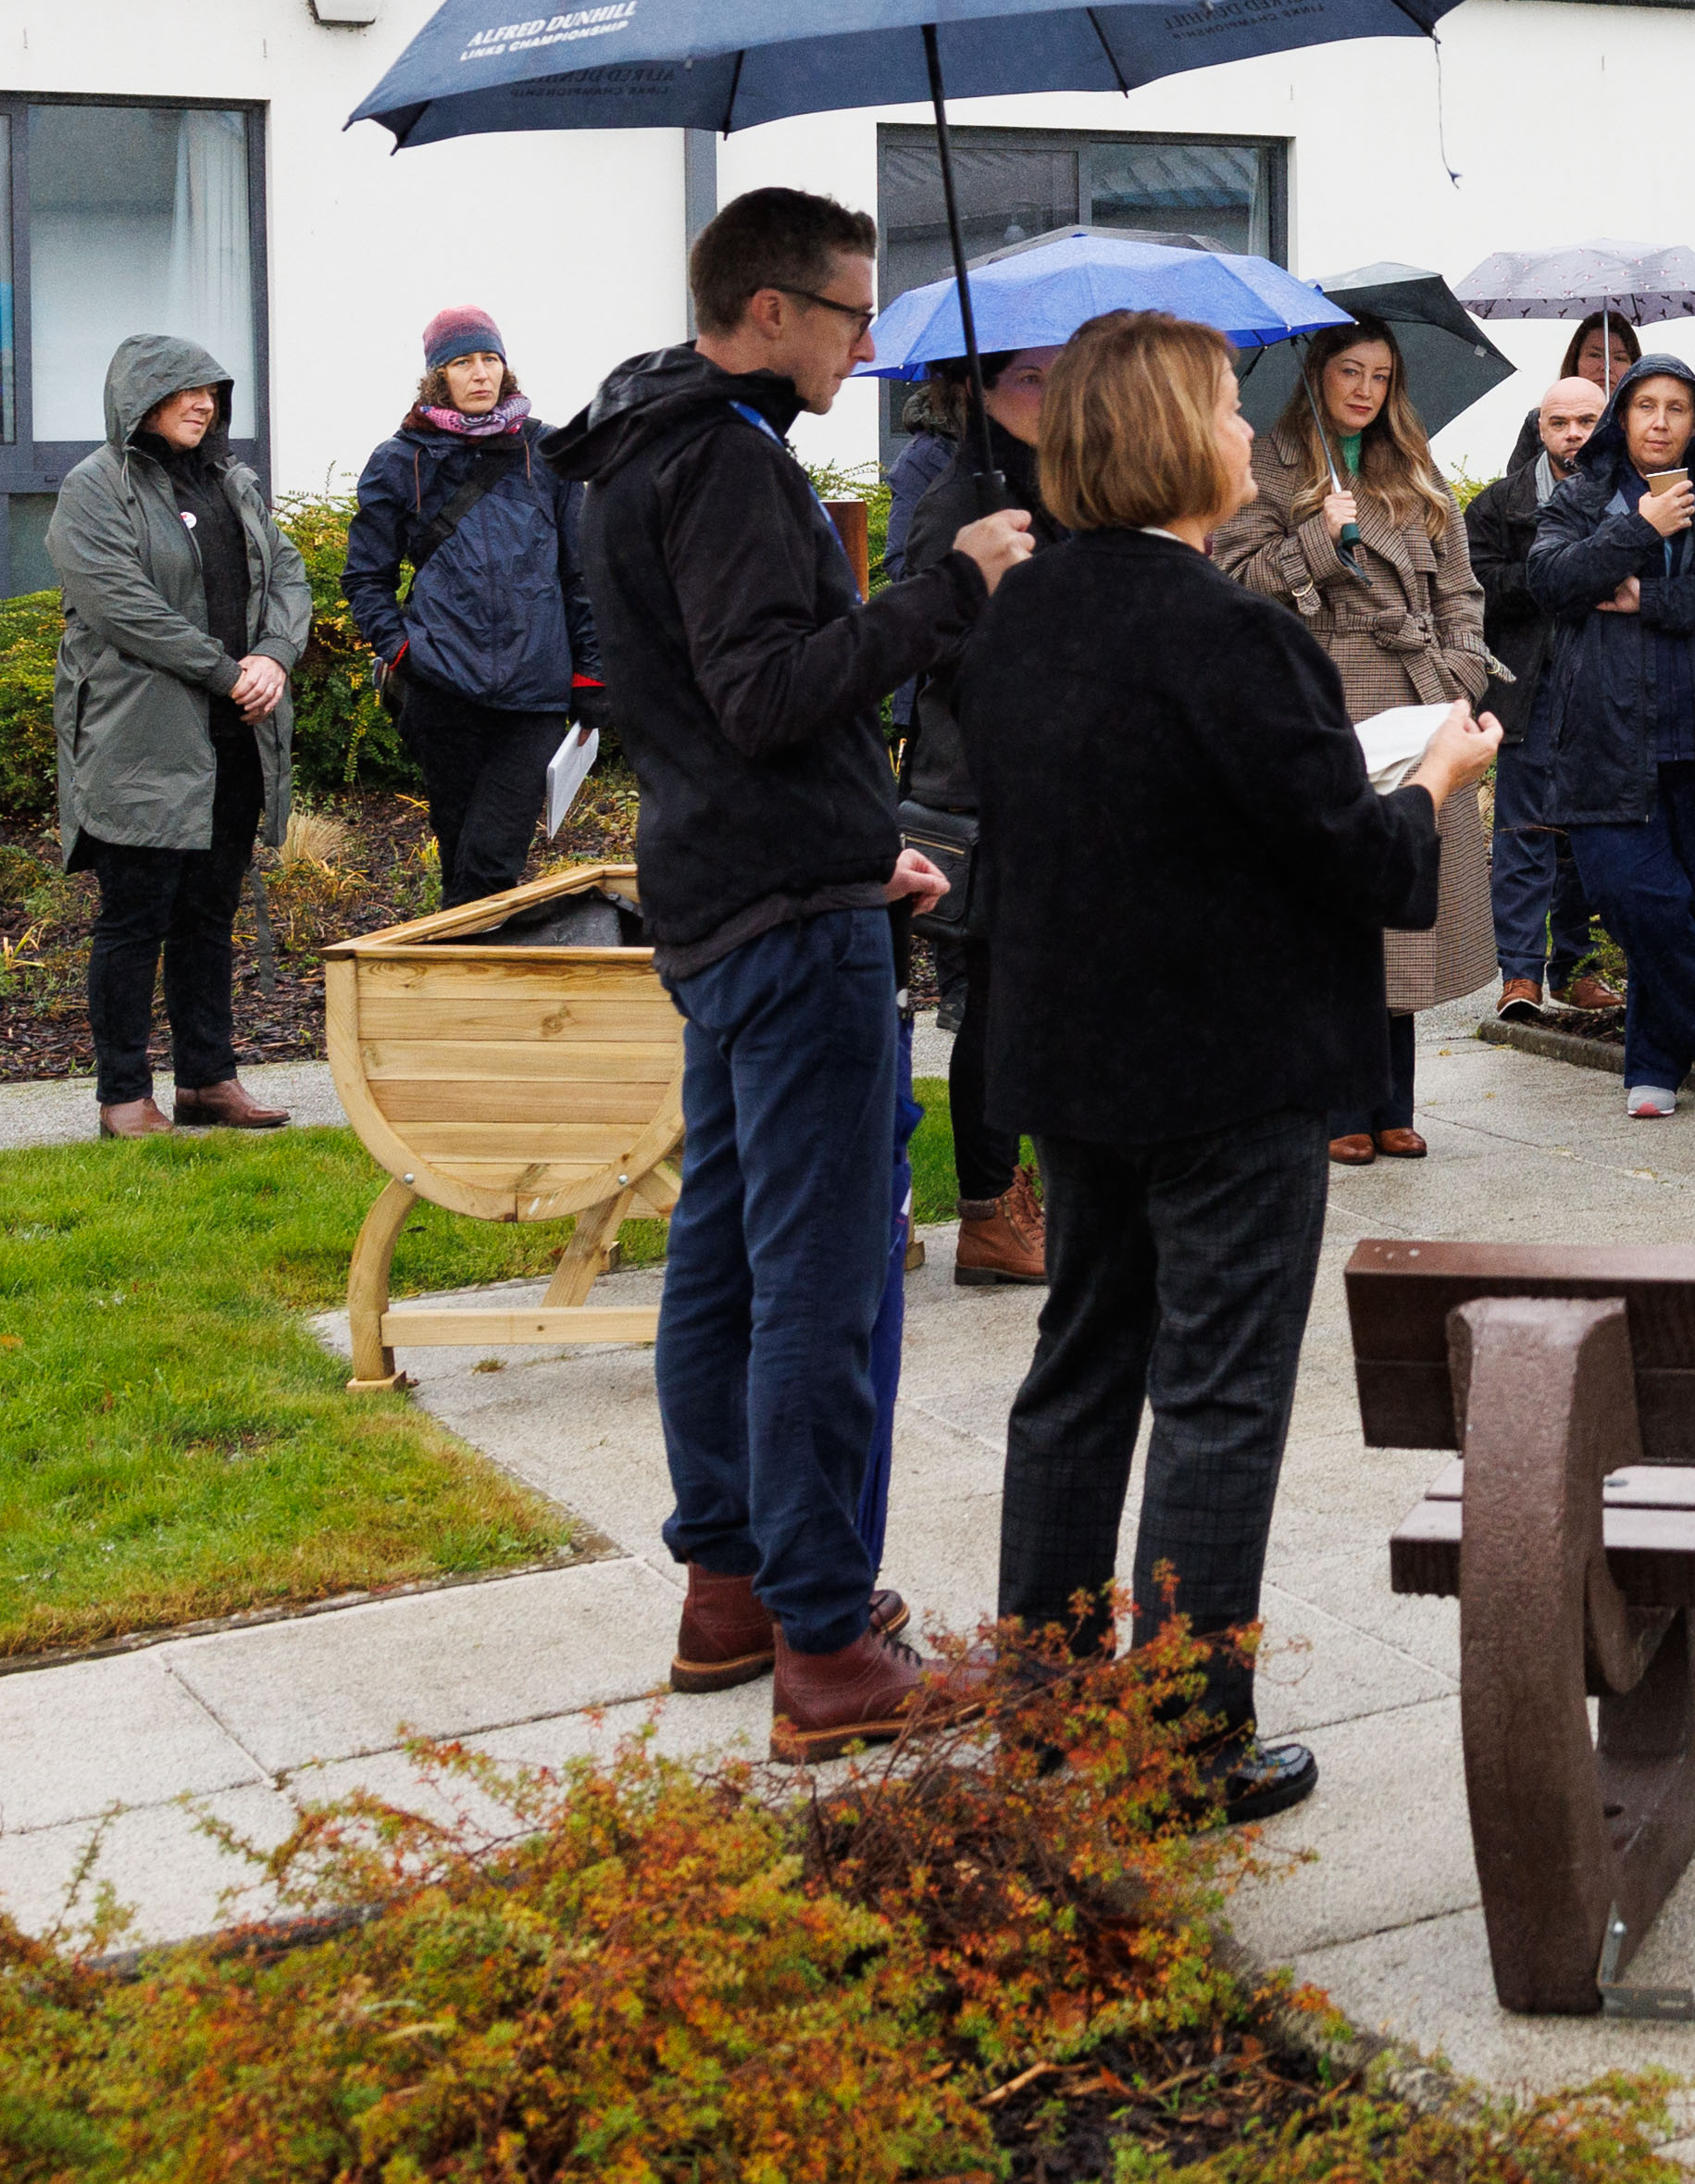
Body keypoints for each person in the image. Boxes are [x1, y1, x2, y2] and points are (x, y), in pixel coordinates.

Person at [972, 307, 1492, 1826]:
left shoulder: (1019, 618)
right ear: (1162, 440)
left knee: (1078, 1372)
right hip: (1229, 1063)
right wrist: (1436, 782)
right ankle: (1188, 1737)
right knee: (1214, 1391)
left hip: (1076, 1050)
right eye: (1217, 410)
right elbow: (1354, 860)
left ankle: (1045, 1702)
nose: (1238, 436)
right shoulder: (1232, 632)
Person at [550, 186, 1027, 1755]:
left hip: (734, 891)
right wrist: (954, 585)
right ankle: (825, 1639)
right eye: (848, 312)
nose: (866, 342)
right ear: (768, 309)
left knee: (730, 1255)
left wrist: (851, 840)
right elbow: (769, 693)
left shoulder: (642, 445)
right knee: (823, 1279)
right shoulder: (731, 462)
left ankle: (731, 1590)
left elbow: (714, 714)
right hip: (786, 931)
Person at [1214, 318, 1500, 1166]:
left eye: (1380, 374)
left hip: (1418, 708)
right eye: (1349, 369)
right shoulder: (1268, 464)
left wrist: (1457, 678)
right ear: (1316, 373)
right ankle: (1336, 1100)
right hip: (1324, 710)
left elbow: (1463, 593)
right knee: (1335, 909)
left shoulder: (1413, 467)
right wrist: (1315, 539)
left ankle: (1393, 1100)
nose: (1366, 389)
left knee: (1401, 901)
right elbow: (1231, 581)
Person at [58, 336, 308, 1141]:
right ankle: (124, 1096)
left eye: (211, 391)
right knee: (136, 917)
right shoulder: (95, 489)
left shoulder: (231, 483)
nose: (203, 403)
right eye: (184, 390)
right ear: (141, 399)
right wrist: (225, 670)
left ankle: (208, 1080)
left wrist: (272, 655)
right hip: (143, 740)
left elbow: (290, 575)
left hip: (232, 738)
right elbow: (120, 606)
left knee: (209, 912)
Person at [1521, 356, 1695, 1120]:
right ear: (1620, 420)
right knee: (1634, 900)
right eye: (1644, 407)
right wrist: (1639, 528)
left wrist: (1649, 597)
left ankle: (1653, 1066)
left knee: (1692, 911)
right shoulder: (1581, 496)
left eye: (1676, 408)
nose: (1660, 421)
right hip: (1606, 737)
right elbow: (1550, 581)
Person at [881, 346, 1054, 1288]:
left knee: (1030, 998)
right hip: (982, 785)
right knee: (991, 1006)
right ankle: (990, 1210)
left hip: (1044, 780)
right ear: (978, 389)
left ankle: (1024, 1191)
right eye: (1029, 377)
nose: (1051, 393)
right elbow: (929, 636)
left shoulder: (1050, 481)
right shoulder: (960, 496)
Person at [343, 308, 598, 914]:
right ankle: (463, 987)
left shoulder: (549, 451)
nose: (480, 373)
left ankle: (457, 977)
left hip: (532, 698)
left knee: (490, 862)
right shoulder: (398, 459)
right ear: (437, 376)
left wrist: (591, 673)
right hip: (441, 692)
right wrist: (402, 649)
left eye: (489, 358)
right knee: (460, 850)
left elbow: (582, 574)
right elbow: (365, 576)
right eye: (462, 362)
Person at [1468, 374, 1613, 1026]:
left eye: (1587, 421)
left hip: (1605, 685)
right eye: (1561, 422)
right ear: (1540, 426)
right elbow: (1476, 587)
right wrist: (1558, 572)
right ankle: (1520, 972)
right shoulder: (1499, 505)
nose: (1574, 434)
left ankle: (1579, 968)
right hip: (1525, 684)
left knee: (1590, 834)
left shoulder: (1627, 497)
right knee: (1523, 832)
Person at [1503, 308, 1646, 473]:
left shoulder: (1645, 425)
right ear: (1576, 360)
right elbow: (1515, 486)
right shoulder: (1538, 420)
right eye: (1594, 355)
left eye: (1619, 358)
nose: (1606, 366)